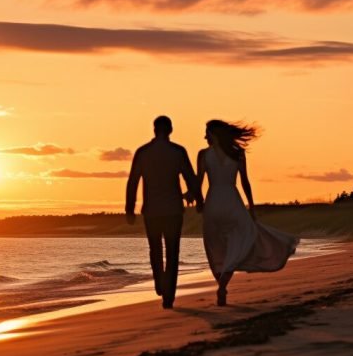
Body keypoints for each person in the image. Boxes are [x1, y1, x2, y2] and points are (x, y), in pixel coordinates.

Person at [196, 119, 299, 306]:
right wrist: (251, 207)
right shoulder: (237, 154)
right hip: (232, 200)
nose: (204, 136)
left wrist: (198, 202)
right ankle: (223, 285)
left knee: (214, 246)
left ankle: (221, 285)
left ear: (212, 134)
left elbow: (198, 182)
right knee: (238, 241)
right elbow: (245, 182)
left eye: (207, 133)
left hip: (213, 202)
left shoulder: (203, 155)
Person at [126, 115, 203, 309]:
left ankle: (160, 282)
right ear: (170, 130)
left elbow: (133, 181)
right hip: (173, 210)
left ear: (154, 129)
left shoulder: (143, 152)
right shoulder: (177, 151)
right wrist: (196, 197)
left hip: (151, 210)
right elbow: (190, 178)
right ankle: (168, 294)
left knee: (155, 249)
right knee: (172, 251)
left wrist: (129, 208)